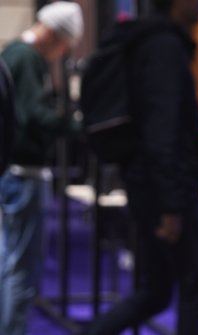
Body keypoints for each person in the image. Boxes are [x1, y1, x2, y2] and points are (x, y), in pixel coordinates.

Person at [82, 0, 198, 334]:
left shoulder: (156, 42)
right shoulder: (163, 47)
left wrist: (190, 186)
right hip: (164, 193)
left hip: (157, 185)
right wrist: (173, 204)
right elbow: (162, 131)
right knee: (196, 292)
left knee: (154, 292)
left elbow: (166, 132)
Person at [0, 2, 83, 334]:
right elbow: (35, 116)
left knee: (9, 263)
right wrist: (75, 125)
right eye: (63, 44)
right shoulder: (28, 58)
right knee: (22, 270)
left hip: (10, 172)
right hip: (25, 174)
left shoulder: (11, 53)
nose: (61, 53)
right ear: (52, 33)